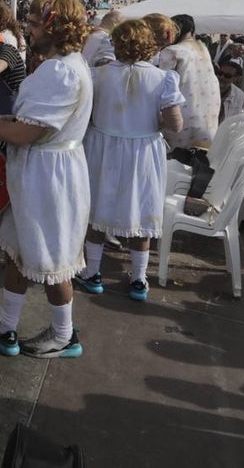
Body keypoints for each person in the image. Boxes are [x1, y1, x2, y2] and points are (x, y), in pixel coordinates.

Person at [0, 0, 93, 359]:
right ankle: (6, 326)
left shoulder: (62, 70)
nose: (27, 31)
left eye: (32, 24)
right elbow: (24, 124)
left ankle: (64, 335)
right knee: (18, 252)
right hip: (39, 170)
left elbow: (25, 133)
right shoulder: (61, 65)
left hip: (48, 177)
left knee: (52, 259)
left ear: (53, 26)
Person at [76, 20, 184, 301]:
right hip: (143, 150)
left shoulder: (97, 75)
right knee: (142, 210)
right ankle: (138, 278)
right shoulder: (163, 78)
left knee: (97, 212)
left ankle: (93, 273)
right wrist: (149, 123)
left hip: (102, 147)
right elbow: (175, 124)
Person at [157, 14, 220, 149]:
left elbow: (160, 84)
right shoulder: (203, 48)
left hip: (183, 113)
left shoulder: (172, 51)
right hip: (208, 112)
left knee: (177, 158)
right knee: (200, 157)